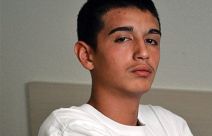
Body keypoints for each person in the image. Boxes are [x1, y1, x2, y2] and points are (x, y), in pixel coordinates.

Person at [38, 0, 193, 135]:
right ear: (86, 55)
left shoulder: (170, 124)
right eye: (123, 39)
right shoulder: (69, 127)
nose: (144, 53)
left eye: (151, 41)